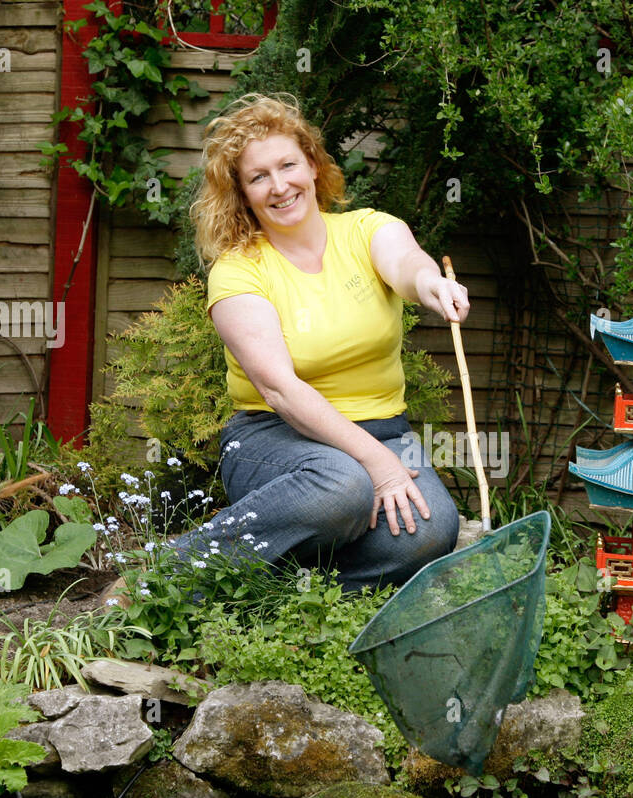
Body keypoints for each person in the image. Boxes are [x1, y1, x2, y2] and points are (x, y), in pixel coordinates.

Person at [164, 92, 467, 592]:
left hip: (384, 430)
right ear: (242, 193)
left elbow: (406, 262)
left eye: (288, 165)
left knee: (430, 531)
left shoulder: (366, 229)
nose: (279, 186)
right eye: (258, 177)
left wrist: (430, 284)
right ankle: (165, 575)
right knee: (343, 487)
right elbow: (280, 389)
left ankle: (285, 592)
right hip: (273, 437)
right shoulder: (238, 270)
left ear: (312, 165)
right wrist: (378, 465)